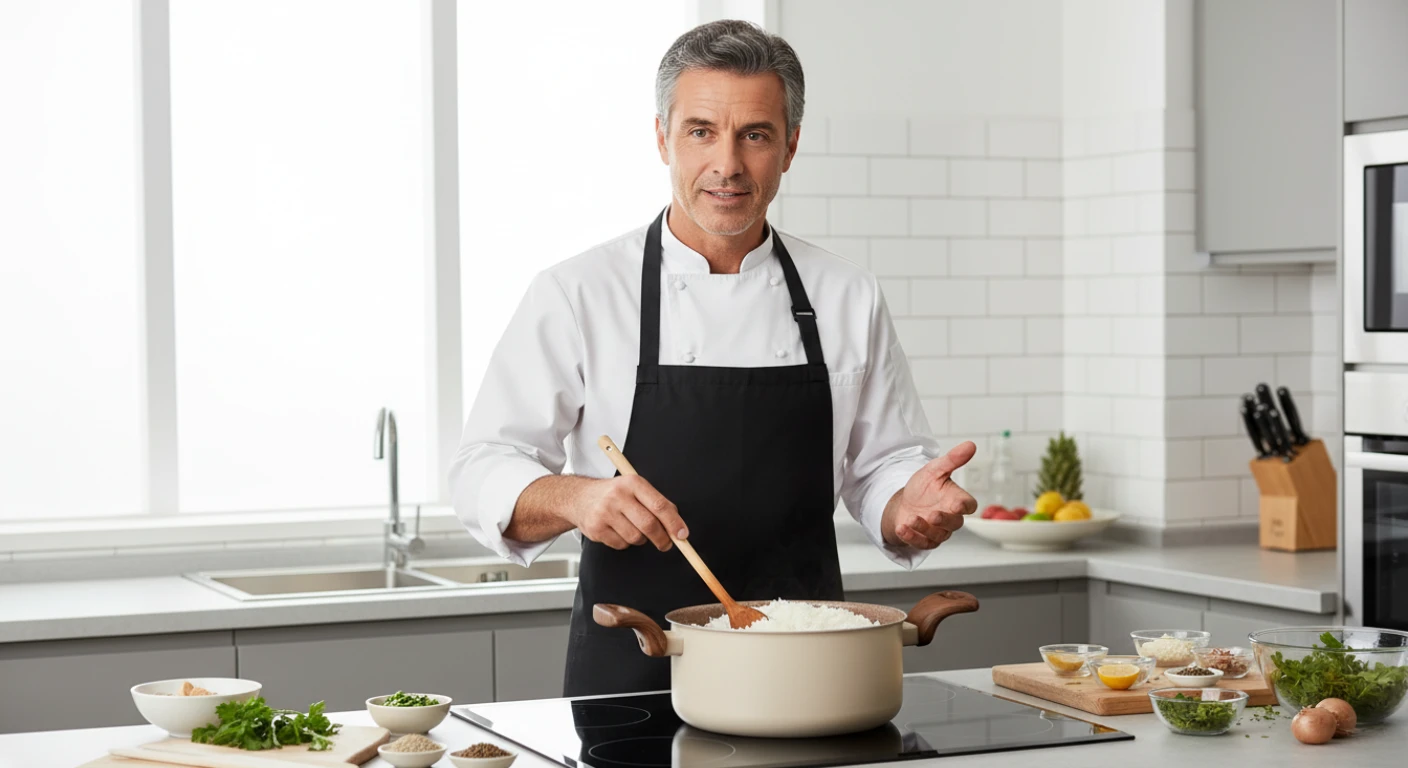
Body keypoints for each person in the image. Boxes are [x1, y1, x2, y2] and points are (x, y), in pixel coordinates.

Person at [450, 19, 977, 697]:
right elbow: (481, 468)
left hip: (806, 672)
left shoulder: (846, 295)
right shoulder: (579, 292)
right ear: (662, 138)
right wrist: (576, 497)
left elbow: (884, 466)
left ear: (790, 146)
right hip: (632, 669)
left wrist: (908, 507)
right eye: (701, 131)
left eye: (754, 135)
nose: (727, 164)